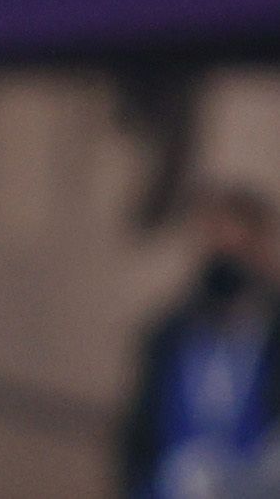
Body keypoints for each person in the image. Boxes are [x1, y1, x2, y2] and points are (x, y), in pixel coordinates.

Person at [121, 186, 280, 499]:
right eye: (216, 250)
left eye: (239, 251)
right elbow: (138, 440)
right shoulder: (167, 340)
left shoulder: (270, 344)